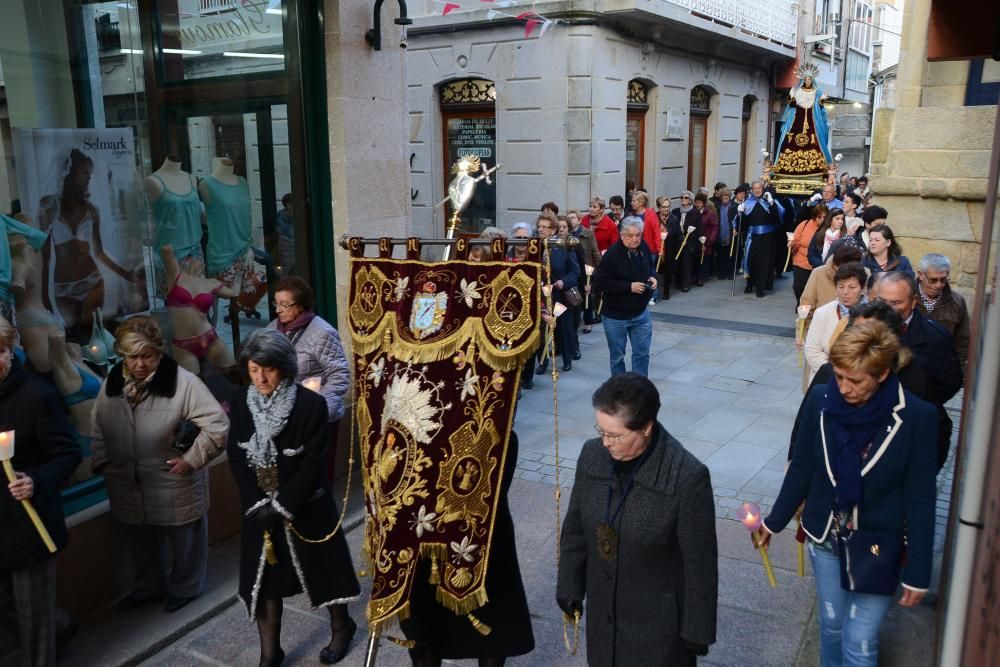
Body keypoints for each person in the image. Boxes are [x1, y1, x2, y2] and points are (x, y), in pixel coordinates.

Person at [760, 320, 937, 667]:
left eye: (854, 380)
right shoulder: (820, 399)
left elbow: (920, 497)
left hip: (877, 541)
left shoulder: (918, 416)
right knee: (832, 625)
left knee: (859, 639)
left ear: (883, 374)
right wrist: (774, 521)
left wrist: (918, 571)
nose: (843, 388)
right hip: (825, 536)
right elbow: (803, 467)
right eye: (839, 376)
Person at [557, 373, 717, 666]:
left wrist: (698, 629)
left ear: (646, 427)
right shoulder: (591, 454)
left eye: (615, 435)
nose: (605, 442)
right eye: (601, 430)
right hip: (604, 619)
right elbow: (576, 527)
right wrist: (569, 585)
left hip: (657, 630)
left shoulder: (687, 477)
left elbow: (701, 564)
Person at [227, 329, 360, 667]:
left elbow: (312, 464)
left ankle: (342, 626)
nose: (260, 377)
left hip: (307, 507)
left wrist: (282, 505)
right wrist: (258, 504)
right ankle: (270, 652)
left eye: (267, 369)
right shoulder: (242, 402)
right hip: (259, 510)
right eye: (254, 370)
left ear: (284, 367)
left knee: (326, 574)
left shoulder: (310, 405)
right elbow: (238, 457)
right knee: (265, 583)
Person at [90, 315, 230, 613]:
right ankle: (148, 587)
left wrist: (191, 461)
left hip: (173, 479)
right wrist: (104, 461)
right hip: (128, 481)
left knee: (185, 541)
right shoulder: (112, 383)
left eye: (147, 356)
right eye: (132, 357)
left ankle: (186, 587)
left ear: (159, 353)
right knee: (139, 542)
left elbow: (218, 426)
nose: (139, 364)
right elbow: (98, 424)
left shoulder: (184, 383)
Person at [401, 430, 534, 667]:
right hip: (422, 533)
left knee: (490, 615)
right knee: (423, 621)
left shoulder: (500, 434)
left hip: (480, 535)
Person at [0, 316, 81, 667]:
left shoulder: (37, 396)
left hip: (28, 526)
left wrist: (36, 480)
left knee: (35, 625)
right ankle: (60, 623)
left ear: (10, 350)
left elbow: (68, 454)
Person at [38, 149, 137, 338]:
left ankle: (98, 367)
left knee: (92, 334)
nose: (88, 178)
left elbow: (99, 252)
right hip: (62, 285)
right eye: (84, 173)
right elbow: (45, 254)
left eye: (89, 174)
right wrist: (44, 296)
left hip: (92, 280)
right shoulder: (49, 206)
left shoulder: (92, 210)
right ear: (69, 172)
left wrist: (124, 273)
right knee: (71, 337)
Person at [872, 272, 962, 469]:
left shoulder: (935, 337)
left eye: (895, 302)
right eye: (882, 301)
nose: (887, 309)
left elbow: (950, 382)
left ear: (913, 302)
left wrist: (919, 400)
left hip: (908, 431)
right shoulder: (864, 327)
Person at [267, 277, 351, 483]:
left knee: (316, 476)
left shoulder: (323, 333)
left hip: (316, 417)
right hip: (284, 416)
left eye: (285, 304)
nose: (278, 310)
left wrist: (321, 411)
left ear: (301, 305)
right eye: (276, 303)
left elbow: (339, 375)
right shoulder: (271, 330)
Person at [591, 218, 656, 377]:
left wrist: (653, 277)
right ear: (621, 235)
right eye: (630, 236)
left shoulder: (643, 247)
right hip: (616, 316)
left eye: (638, 235)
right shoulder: (612, 255)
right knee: (617, 357)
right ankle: (619, 389)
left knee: (642, 354)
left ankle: (639, 387)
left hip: (640, 313)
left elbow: (650, 267)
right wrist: (628, 287)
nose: (635, 239)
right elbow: (599, 283)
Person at [803, 263, 868, 388]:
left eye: (852, 287)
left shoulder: (872, 314)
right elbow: (812, 350)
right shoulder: (823, 313)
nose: (845, 292)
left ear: (863, 288)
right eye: (841, 287)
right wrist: (837, 373)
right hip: (826, 379)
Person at [529, 213, 578, 374]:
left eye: (545, 227)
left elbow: (574, 271)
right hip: (540, 295)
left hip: (559, 295)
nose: (541, 229)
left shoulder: (563, 246)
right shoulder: (535, 245)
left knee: (563, 327)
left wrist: (563, 282)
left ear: (553, 230)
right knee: (542, 330)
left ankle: (567, 359)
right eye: (539, 226)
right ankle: (543, 361)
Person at [772, 71, 832, 177]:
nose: (808, 81)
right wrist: (791, 97)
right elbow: (792, 105)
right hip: (798, 117)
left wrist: (822, 100)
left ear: (812, 80)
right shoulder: (797, 91)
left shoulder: (817, 92)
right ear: (803, 80)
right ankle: (788, 163)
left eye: (809, 79)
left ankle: (816, 164)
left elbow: (820, 106)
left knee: (814, 139)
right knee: (791, 138)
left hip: (812, 118)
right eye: (806, 79)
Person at [916, 253, 970, 366]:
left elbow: (962, 342)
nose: (938, 285)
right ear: (921, 275)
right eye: (933, 280)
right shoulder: (906, 297)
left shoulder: (957, 302)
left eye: (943, 280)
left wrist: (959, 371)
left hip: (943, 370)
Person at [742, 181, 784, 297]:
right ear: (752, 190)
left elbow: (779, 217)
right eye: (754, 188)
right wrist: (741, 214)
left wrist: (771, 203)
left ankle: (760, 287)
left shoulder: (770, 201)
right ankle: (750, 283)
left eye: (759, 188)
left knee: (764, 263)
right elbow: (742, 225)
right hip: (752, 236)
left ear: (762, 188)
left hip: (767, 237)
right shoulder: (747, 203)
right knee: (750, 261)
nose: (757, 190)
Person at [568, 210, 602, 336]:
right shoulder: (567, 234)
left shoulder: (588, 232)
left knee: (586, 294)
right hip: (572, 269)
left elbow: (595, 250)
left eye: (573, 217)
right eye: (569, 217)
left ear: (579, 219)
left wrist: (601, 267)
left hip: (586, 269)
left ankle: (588, 321)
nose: (571, 219)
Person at [789, 205, 825, 305]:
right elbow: (795, 239)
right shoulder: (805, 224)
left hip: (819, 264)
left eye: (824, 217)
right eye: (819, 217)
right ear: (814, 217)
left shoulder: (828, 228)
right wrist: (791, 243)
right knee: (798, 287)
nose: (822, 219)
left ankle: (809, 308)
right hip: (801, 261)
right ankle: (800, 303)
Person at [670, 191, 703, 293]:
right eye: (682, 197)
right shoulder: (675, 211)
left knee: (686, 263)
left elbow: (699, 229)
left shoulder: (695, 212)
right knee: (677, 261)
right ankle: (678, 282)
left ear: (690, 201)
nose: (683, 199)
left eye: (686, 198)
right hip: (677, 240)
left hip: (689, 241)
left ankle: (685, 284)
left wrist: (701, 242)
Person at [692, 192, 718, 287]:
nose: (698, 204)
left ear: (703, 203)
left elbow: (715, 226)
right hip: (695, 241)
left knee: (704, 261)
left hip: (706, 241)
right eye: (696, 202)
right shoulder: (693, 212)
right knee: (696, 260)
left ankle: (701, 278)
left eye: (700, 203)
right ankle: (695, 276)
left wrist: (711, 239)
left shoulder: (709, 214)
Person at [630, 191, 662, 262]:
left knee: (647, 272)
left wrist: (660, 249)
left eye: (634, 201)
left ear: (641, 203)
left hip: (649, 251)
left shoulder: (651, 215)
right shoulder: (631, 215)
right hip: (634, 250)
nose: (631, 203)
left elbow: (656, 233)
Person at [715, 187, 737, 280]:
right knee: (721, 255)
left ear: (729, 197)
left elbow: (737, 219)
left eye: (726, 198)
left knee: (730, 254)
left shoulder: (733, 207)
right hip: (720, 233)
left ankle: (730, 273)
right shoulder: (718, 207)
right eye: (723, 198)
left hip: (730, 233)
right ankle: (721, 273)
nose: (725, 200)